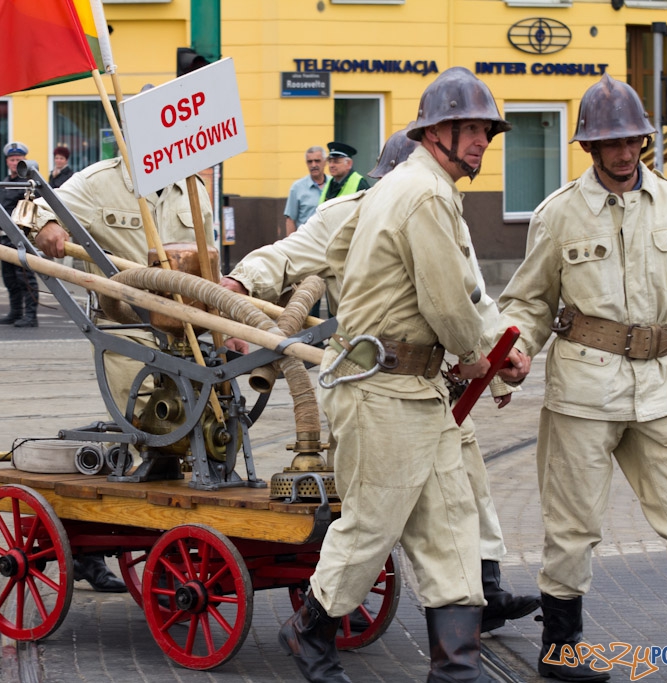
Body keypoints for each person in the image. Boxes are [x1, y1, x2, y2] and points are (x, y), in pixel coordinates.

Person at [222, 126, 539, 636]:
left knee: (461, 497)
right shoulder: (353, 212)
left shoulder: (440, 210)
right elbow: (284, 254)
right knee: (377, 513)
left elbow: (474, 299)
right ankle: (313, 632)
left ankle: (483, 596)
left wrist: (504, 364)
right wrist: (238, 284)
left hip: (437, 385)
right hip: (378, 381)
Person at [277, 67, 527, 683]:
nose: (480, 142)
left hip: (411, 388)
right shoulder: (424, 194)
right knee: (372, 523)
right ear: (434, 131)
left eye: (486, 132)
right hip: (384, 387)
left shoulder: (418, 188)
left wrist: (484, 350)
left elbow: (451, 295)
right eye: (469, 129)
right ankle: (309, 631)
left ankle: (456, 667)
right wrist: (481, 358)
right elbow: (448, 304)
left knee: (449, 524)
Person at [497, 73, 667, 683]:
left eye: (632, 139)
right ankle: (562, 651)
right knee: (572, 524)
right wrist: (508, 361)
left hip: (660, 390)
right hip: (582, 393)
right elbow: (527, 303)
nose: (625, 151)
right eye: (611, 142)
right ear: (589, 147)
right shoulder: (557, 215)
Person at [28, 155, 215, 593]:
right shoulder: (99, 182)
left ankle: (180, 528)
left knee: (210, 423)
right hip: (126, 328)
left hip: (189, 331)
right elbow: (36, 207)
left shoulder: (193, 186)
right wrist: (46, 227)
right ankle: (142, 542)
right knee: (152, 424)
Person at [0, 141, 39, 328]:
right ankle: (16, 312)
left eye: (18, 160)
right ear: (7, 161)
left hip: (20, 236)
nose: (14, 163)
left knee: (25, 277)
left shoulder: (28, 183)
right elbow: (0, 210)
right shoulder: (6, 182)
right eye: (12, 160)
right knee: (9, 277)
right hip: (4, 237)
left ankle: (30, 315)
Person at [284, 146, 327, 235]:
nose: (313, 165)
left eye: (317, 161)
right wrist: (291, 245)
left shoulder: (333, 184)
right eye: (310, 162)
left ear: (325, 162)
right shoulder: (297, 187)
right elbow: (290, 220)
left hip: (328, 240)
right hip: (306, 240)